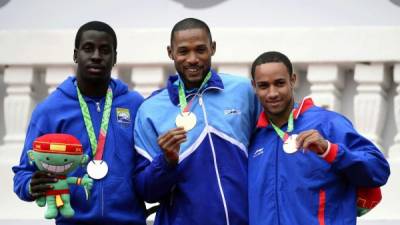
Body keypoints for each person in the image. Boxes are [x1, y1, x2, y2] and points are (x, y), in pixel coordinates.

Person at [12, 21, 147, 225]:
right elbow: (23, 174)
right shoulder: (50, 111)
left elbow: (146, 166)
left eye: (104, 50)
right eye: (88, 48)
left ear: (115, 58)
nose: (96, 56)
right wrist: (32, 185)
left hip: (129, 221)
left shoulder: (134, 104)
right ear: (75, 55)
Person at [133, 18, 259, 225]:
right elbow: (146, 191)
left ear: (213, 48)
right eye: (183, 51)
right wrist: (167, 162)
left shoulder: (243, 91)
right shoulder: (150, 110)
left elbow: (268, 150)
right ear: (170, 52)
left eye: (200, 50)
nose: (192, 59)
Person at [248, 51, 390, 225]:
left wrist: (330, 150)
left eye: (279, 83)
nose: (272, 93)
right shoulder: (253, 137)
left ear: (293, 80)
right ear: (254, 86)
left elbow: (379, 170)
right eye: (264, 86)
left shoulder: (328, 124)